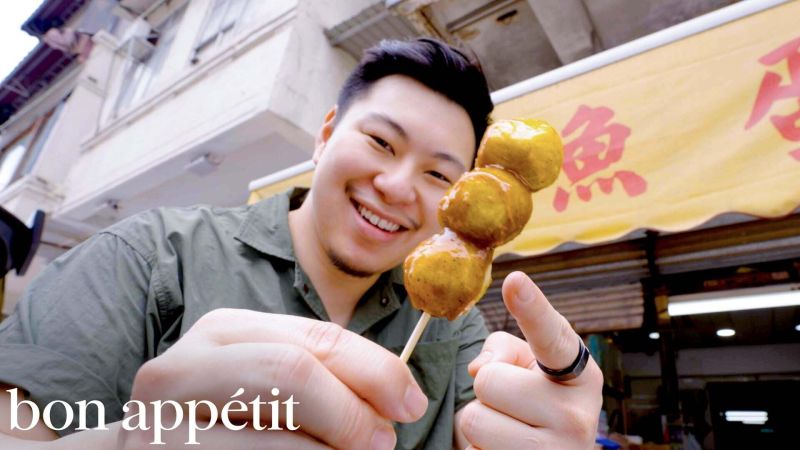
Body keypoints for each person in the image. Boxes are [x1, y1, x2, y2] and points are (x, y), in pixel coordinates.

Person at [0, 38, 602, 449]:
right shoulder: (148, 258)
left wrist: (550, 425)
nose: (395, 187)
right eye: (381, 143)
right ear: (326, 136)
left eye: (439, 175)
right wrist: (130, 437)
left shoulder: (456, 332)